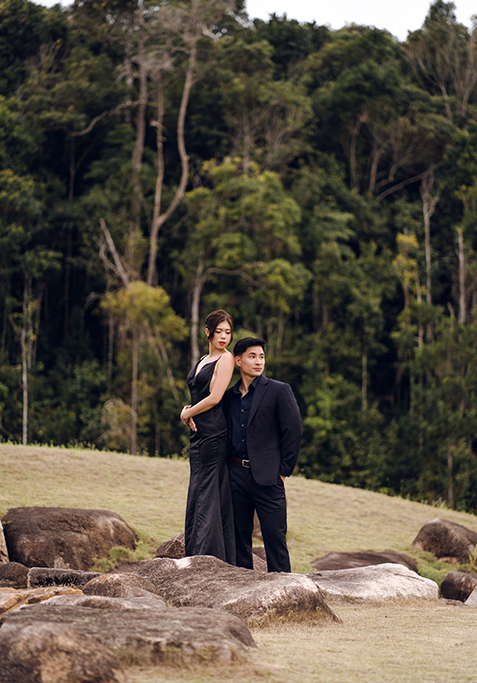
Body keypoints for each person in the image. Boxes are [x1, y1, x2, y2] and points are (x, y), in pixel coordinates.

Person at [222, 337, 302, 573]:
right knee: (239, 539)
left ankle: (285, 593)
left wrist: (283, 472)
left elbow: (293, 431)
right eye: (252, 356)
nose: (258, 362)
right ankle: (245, 590)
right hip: (236, 474)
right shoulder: (229, 397)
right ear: (238, 361)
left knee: (275, 539)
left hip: (269, 477)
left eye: (262, 357)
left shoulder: (279, 390)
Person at [180, 310, 236, 564]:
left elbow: (215, 398)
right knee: (198, 489)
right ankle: (194, 549)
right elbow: (198, 393)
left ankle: (208, 556)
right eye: (219, 331)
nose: (224, 337)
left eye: (228, 332)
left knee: (209, 490)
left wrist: (188, 412)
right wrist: (187, 410)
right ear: (208, 332)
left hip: (214, 433)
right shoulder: (204, 358)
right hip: (199, 434)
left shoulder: (226, 360)